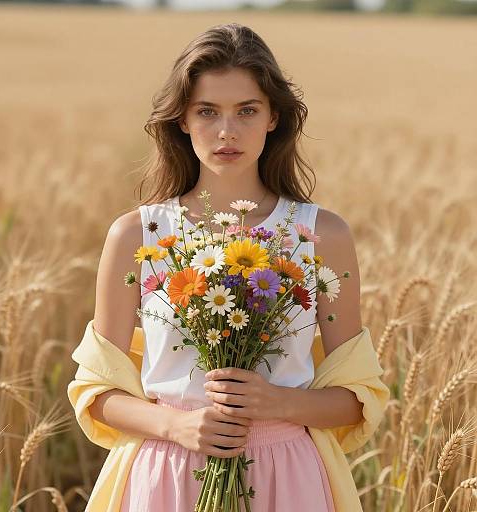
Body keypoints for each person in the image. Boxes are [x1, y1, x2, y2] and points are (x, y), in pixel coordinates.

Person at [87, 22, 368, 511]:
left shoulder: (323, 234)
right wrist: (176, 425)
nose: (226, 131)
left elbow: (356, 398)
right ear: (181, 119)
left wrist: (276, 403)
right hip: (167, 471)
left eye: (247, 111)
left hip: (287, 474)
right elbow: (97, 393)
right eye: (207, 112)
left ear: (274, 117)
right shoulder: (138, 235)